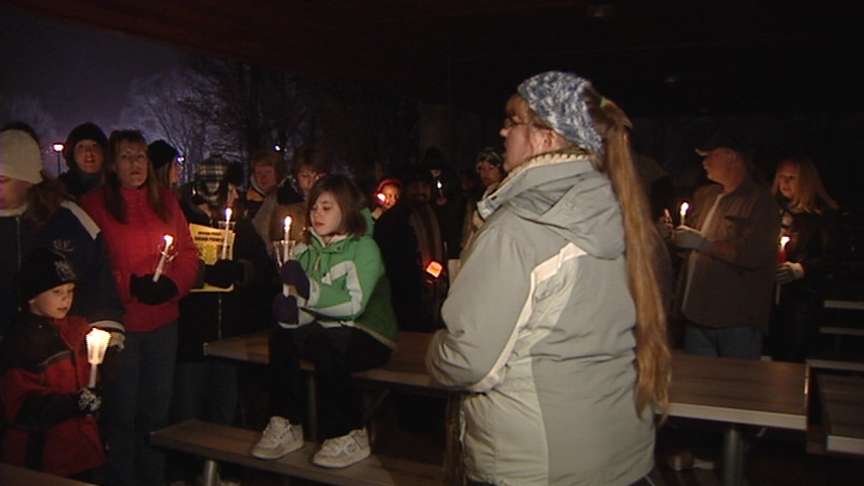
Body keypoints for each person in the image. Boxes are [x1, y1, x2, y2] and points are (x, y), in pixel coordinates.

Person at [425, 71, 670, 485]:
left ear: (547, 137)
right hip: (622, 454)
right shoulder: (620, 215)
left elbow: (469, 360)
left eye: (513, 119)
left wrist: (434, 353)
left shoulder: (520, 226)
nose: (503, 130)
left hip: (538, 465)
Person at [253, 174, 398, 469]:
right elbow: (304, 307)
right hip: (327, 333)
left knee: (329, 342)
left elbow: (354, 304)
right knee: (282, 336)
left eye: (327, 207)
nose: (317, 214)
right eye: (315, 208)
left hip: (369, 334)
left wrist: (307, 292)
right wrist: (290, 314)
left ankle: (347, 431)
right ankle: (286, 422)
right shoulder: (305, 250)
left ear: (345, 209)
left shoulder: (363, 248)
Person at [81, 129, 200, 486]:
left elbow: (188, 254)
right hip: (121, 328)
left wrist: (171, 284)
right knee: (122, 413)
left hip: (163, 324)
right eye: (126, 157)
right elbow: (89, 267)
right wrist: (127, 284)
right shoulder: (95, 206)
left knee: (157, 412)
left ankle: (153, 478)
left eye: (141, 157)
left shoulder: (166, 201)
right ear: (113, 165)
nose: (135, 164)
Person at [0, 125, 124, 341]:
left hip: (58, 353)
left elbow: (99, 283)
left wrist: (107, 336)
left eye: (3, 180)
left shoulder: (68, 220)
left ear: (27, 178)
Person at [1, 248, 111, 480]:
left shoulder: (77, 330)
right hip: (44, 457)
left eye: (70, 291)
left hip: (84, 451)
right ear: (32, 296)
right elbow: (20, 406)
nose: (66, 299)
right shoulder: (21, 342)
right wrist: (73, 403)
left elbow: (93, 377)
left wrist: (106, 375)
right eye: (56, 291)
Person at [673, 128, 781, 359]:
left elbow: (752, 255)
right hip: (695, 315)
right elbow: (690, 248)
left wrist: (703, 244)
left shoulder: (760, 203)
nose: (704, 163)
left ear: (731, 156)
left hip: (735, 320)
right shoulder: (706, 196)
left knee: (735, 388)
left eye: (709, 155)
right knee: (697, 388)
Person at [770, 155, 838, 362]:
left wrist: (801, 269)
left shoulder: (822, 217)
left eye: (792, 177)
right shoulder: (771, 210)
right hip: (768, 298)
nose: (785, 183)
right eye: (782, 177)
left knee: (792, 357)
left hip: (800, 301)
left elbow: (832, 259)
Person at [461, 147, 505, 253]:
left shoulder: (504, 194)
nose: (485, 173)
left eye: (491, 168)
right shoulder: (477, 196)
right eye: (482, 169)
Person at [59, 122, 109, 198]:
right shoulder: (60, 189)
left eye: (94, 145)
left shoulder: (118, 186)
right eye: (81, 146)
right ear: (72, 153)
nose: (88, 151)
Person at [245, 150, 282, 217]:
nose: (263, 177)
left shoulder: (287, 200)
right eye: (259, 173)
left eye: (268, 172)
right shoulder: (245, 202)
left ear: (277, 174)